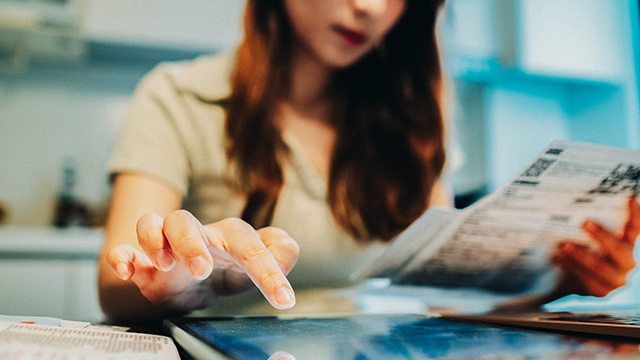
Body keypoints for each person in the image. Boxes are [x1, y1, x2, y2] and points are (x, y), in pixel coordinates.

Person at [98, 0, 640, 322]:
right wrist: (187, 279)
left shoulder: (411, 123)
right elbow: (116, 281)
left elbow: (436, 304)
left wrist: (559, 282)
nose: (374, 7)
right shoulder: (176, 96)